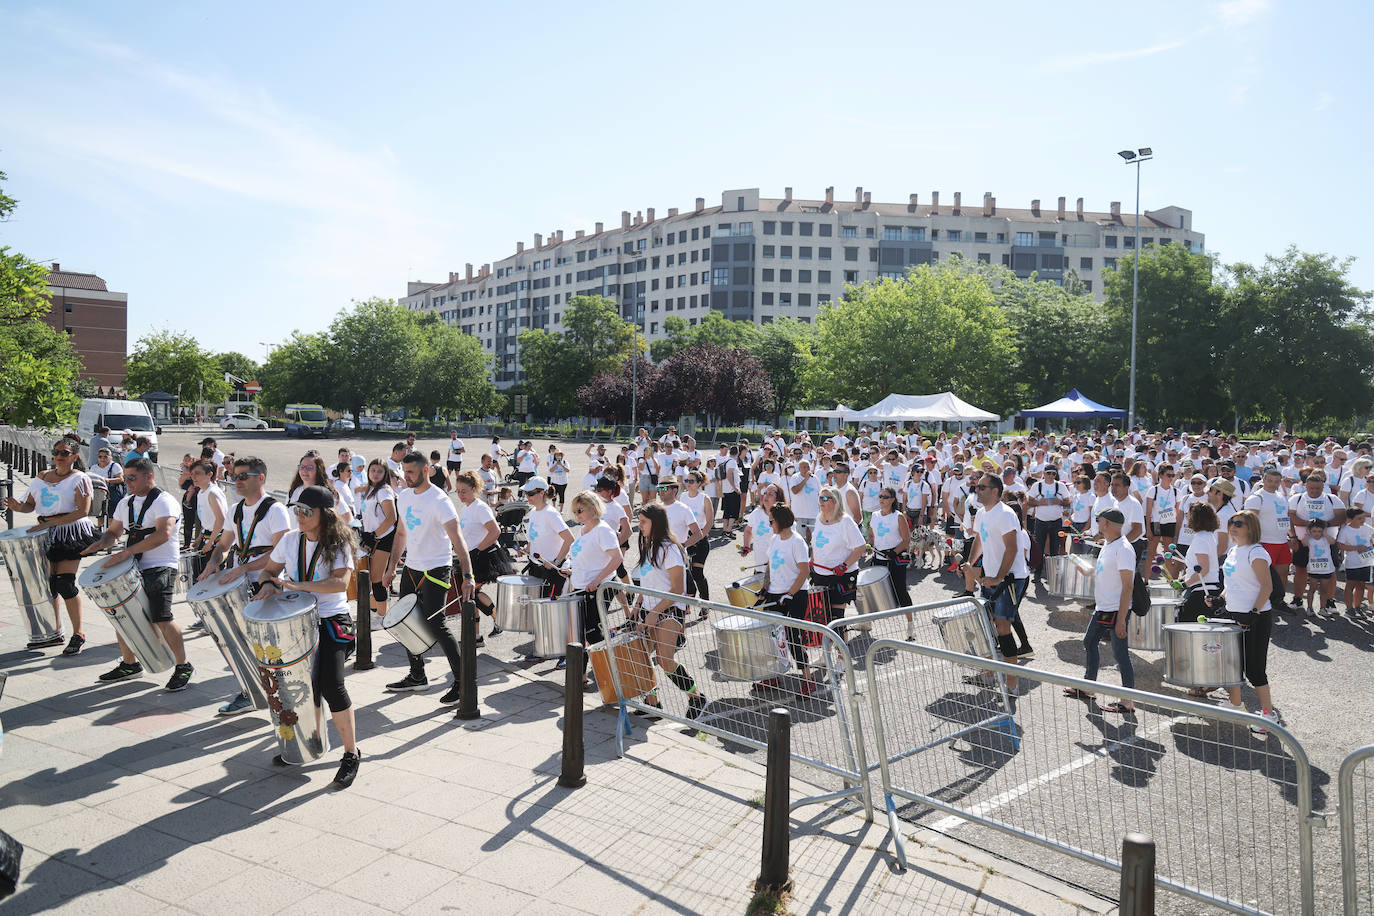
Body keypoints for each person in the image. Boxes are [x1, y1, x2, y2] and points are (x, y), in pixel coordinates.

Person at [242, 485, 361, 786]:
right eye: (297, 510)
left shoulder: (339, 542)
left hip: (332, 620)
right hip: (297, 622)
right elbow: (268, 572)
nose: (300, 516)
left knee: (331, 685)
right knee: (295, 686)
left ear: (325, 514)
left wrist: (298, 586)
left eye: (306, 512)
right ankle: (309, 744)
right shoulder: (290, 540)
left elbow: (339, 583)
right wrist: (268, 585)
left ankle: (351, 753)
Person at [82, 458, 193, 689]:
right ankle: (130, 664)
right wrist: (101, 543)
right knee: (123, 613)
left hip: (162, 565)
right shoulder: (126, 502)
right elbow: (113, 532)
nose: (127, 482)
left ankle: (183, 666)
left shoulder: (164, 501)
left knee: (161, 615)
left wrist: (127, 552)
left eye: (132, 477)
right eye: (125, 477)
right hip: (134, 565)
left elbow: (163, 534)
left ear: (148, 477)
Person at [383, 451, 475, 702]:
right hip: (411, 568)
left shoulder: (440, 500)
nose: (406, 477)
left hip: (436, 568)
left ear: (426, 471)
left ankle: (462, 682)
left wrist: (468, 576)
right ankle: (417, 676)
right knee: (405, 622)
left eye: (411, 472)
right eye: (404, 472)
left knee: (437, 625)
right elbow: (401, 534)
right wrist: (391, 567)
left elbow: (458, 540)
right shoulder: (403, 497)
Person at [205, 456, 293, 715]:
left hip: (268, 584)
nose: (237, 481)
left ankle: (282, 695)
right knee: (242, 642)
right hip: (241, 585)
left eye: (243, 476)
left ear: (260, 478)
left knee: (271, 646)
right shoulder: (235, 510)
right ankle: (251, 691)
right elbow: (223, 545)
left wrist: (244, 567)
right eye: (234, 476)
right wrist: (212, 564)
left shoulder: (275, 510)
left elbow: (281, 551)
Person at [4, 440, 99, 652]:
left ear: (75, 456)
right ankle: (54, 633)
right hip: (45, 533)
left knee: (65, 583)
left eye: (64, 453)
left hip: (70, 532)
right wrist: (16, 506)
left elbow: (83, 511)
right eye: (56, 452)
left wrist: (53, 523)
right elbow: (30, 506)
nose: (59, 456)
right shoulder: (41, 477)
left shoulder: (80, 479)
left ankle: (78, 633)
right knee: (49, 586)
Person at [629, 504, 709, 720]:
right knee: (640, 656)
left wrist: (654, 612)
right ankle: (652, 703)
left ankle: (697, 697)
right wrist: (638, 604)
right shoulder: (649, 544)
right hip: (649, 609)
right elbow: (648, 583)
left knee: (665, 660)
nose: (640, 526)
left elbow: (676, 589)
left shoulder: (669, 548)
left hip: (670, 610)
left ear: (656, 523)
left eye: (643, 522)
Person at [1064, 507, 1136, 714]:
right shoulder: (1109, 545)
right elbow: (1106, 574)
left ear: (1107, 523)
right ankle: (1089, 686)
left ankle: (1127, 700)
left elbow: (1128, 585)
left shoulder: (1123, 548)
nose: (1096, 522)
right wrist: (1089, 571)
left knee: (1120, 653)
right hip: (1105, 607)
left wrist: (1122, 619)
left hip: (1115, 609)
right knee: (1090, 641)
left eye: (1098, 519)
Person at [965, 475, 1029, 693]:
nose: (977, 490)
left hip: (1010, 578)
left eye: (981, 487)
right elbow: (979, 540)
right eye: (977, 487)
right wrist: (970, 561)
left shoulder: (1006, 514)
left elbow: (1012, 548)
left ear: (995, 491)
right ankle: (990, 673)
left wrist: (999, 577)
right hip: (991, 577)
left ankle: (1012, 682)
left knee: (1002, 627)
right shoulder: (982, 513)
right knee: (987, 625)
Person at [1220, 509, 1279, 732]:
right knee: (1233, 664)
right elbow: (1232, 584)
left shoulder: (1257, 552)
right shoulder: (1234, 551)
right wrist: (1219, 598)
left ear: (1251, 528)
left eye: (1239, 523)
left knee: (1254, 669)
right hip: (1235, 614)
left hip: (1256, 617)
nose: (1233, 526)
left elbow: (1267, 587)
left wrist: (1253, 613)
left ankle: (1269, 716)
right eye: (1231, 522)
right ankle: (1236, 704)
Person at [561, 491, 624, 683]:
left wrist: (596, 580)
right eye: (574, 511)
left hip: (598, 588)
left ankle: (610, 675)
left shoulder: (603, 530)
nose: (577, 514)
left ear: (593, 509)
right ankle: (581, 676)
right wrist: (569, 568)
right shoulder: (583, 530)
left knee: (593, 632)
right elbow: (580, 557)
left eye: (580, 510)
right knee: (579, 633)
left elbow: (617, 558)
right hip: (580, 587)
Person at [756, 504, 815, 694]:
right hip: (775, 593)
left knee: (792, 638)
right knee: (770, 636)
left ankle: (808, 679)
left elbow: (805, 571)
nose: (769, 524)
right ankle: (773, 676)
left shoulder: (797, 542)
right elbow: (769, 566)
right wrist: (765, 587)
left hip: (795, 595)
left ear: (781, 521)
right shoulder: (774, 539)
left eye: (771, 521)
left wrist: (790, 593)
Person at [453, 470, 505, 641]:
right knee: (470, 595)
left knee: (472, 593)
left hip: (483, 556)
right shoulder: (467, 507)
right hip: (471, 555)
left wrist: (478, 550)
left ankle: (499, 620)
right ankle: (475, 636)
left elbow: (495, 531)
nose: (460, 495)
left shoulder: (480, 507)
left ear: (474, 489)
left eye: (464, 491)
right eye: (458, 491)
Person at [810, 486, 867, 629]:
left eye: (825, 498)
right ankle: (828, 651)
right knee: (823, 618)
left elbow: (860, 547)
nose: (820, 501)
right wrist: (812, 560)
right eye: (819, 498)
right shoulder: (819, 518)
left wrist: (844, 565)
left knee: (836, 619)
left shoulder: (845, 522)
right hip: (820, 575)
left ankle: (842, 651)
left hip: (841, 576)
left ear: (835, 501)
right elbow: (817, 544)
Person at [867, 487, 914, 639]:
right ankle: (866, 622)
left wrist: (893, 553)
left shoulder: (898, 516)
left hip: (895, 558)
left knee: (900, 591)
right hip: (878, 558)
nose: (882, 499)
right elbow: (872, 535)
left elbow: (906, 540)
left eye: (885, 497)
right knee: (871, 592)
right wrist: (871, 543)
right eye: (880, 496)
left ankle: (910, 625)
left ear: (893, 499)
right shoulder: (874, 515)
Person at [358, 460, 398, 629]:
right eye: (372, 470)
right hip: (372, 538)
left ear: (385, 474)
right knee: (372, 578)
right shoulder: (370, 490)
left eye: (379, 471)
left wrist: (374, 535)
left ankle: (383, 618)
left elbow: (392, 518)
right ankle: (378, 612)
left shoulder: (383, 491)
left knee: (377, 579)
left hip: (383, 539)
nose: (375, 474)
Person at [522, 477, 572, 596]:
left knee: (550, 611)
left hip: (552, 571)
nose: (527, 497)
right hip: (536, 568)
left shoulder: (551, 513)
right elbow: (535, 537)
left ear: (542, 493)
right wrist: (528, 548)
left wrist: (556, 562)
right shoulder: (534, 511)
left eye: (530, 494)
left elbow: (569, 539)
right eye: (526, 493)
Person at [1026, 466, 1069, 577]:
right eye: (1048, 473)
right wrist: (1039, 503)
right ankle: (1038, 572)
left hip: (1056, 521)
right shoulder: (1037, 486)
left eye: (1053, 474)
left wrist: (1059, 502)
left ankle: (1053, 572)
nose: (1050, 476)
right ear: (1044, 473)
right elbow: (1029, 502)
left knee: (1055, 547)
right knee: (1039, 547)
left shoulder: (1060, 486)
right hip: (1041, 521)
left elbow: (1068, 502)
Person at [1337, 508, 1373, 616]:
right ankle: (1349, 608)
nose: (1363, 520)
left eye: (1363, 518)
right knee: (1350, 585)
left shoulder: (1366, 528)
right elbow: (1340, 545)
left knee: (1361, 585)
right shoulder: (1345, 530)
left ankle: (1357, 606)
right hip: (1353, 563)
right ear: (1350, 519)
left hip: (1366, 562)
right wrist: (1356, 548)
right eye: (1359, 518)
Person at [1299, 518, 1337, 615]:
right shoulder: (1309, 539)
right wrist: (1308, 533)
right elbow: (1304, 543)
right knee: (1312, 588)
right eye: (1314, 531)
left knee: (1324, 590)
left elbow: (1333, 542)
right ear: (1310, 531)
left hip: (1326, 569)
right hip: (1314, 569)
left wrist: (1325, 533)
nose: (1317, 533)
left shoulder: (1326, 539)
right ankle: (1310, 608)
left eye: (1319, 531)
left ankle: (1322, 608)